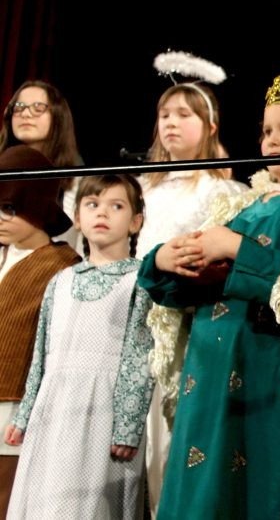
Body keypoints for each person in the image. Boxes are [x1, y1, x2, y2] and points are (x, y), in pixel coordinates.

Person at [138, 64, 280, 518]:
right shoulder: (240, 202)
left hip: (266, 369)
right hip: (210, 367)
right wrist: (163, 261)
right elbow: (192, 281)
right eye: (266, 131)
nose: (272, 140)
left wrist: (236, 249)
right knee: (196, 485)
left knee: (249, 486)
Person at [5, 174, 152, 518]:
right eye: (92, 205)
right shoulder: (61, 279)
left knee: (87, 504)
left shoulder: (140, 279)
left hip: (103, 409)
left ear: (135, 222)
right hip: (53, 409)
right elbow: (41, 355)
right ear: (77, 217)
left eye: (116, 206)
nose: (102, 213)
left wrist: (127, 426)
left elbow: (139, 354)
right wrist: (26, 414)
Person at [137, 59, 247, 512]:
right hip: (135, 321)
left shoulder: (221, 191)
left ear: (210, 125)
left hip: (181, 328)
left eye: (185, 115)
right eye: (165, 115)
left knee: (171, 438)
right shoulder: (144, 187)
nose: (172, 124)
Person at [0, 146, 81, 516]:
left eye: (10, 209)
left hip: (16, 404)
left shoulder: (62, 265)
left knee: (7, 496)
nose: (0, 218)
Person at [0, 81, 84, 250]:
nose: (26, 114)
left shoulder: (75, 178)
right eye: (19, 107)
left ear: (58, 116)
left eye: (38, 107)